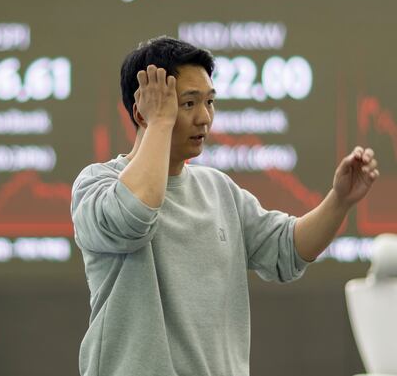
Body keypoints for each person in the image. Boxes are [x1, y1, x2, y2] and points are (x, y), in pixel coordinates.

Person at [71, 36, 380, 376]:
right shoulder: (97, 184)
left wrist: (339, 200)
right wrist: (159, 122)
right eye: (188, 104)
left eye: (209, 102)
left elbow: (287, 250)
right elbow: (134, 216)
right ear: (141, 111)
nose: (204, 117)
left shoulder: (218, 189)